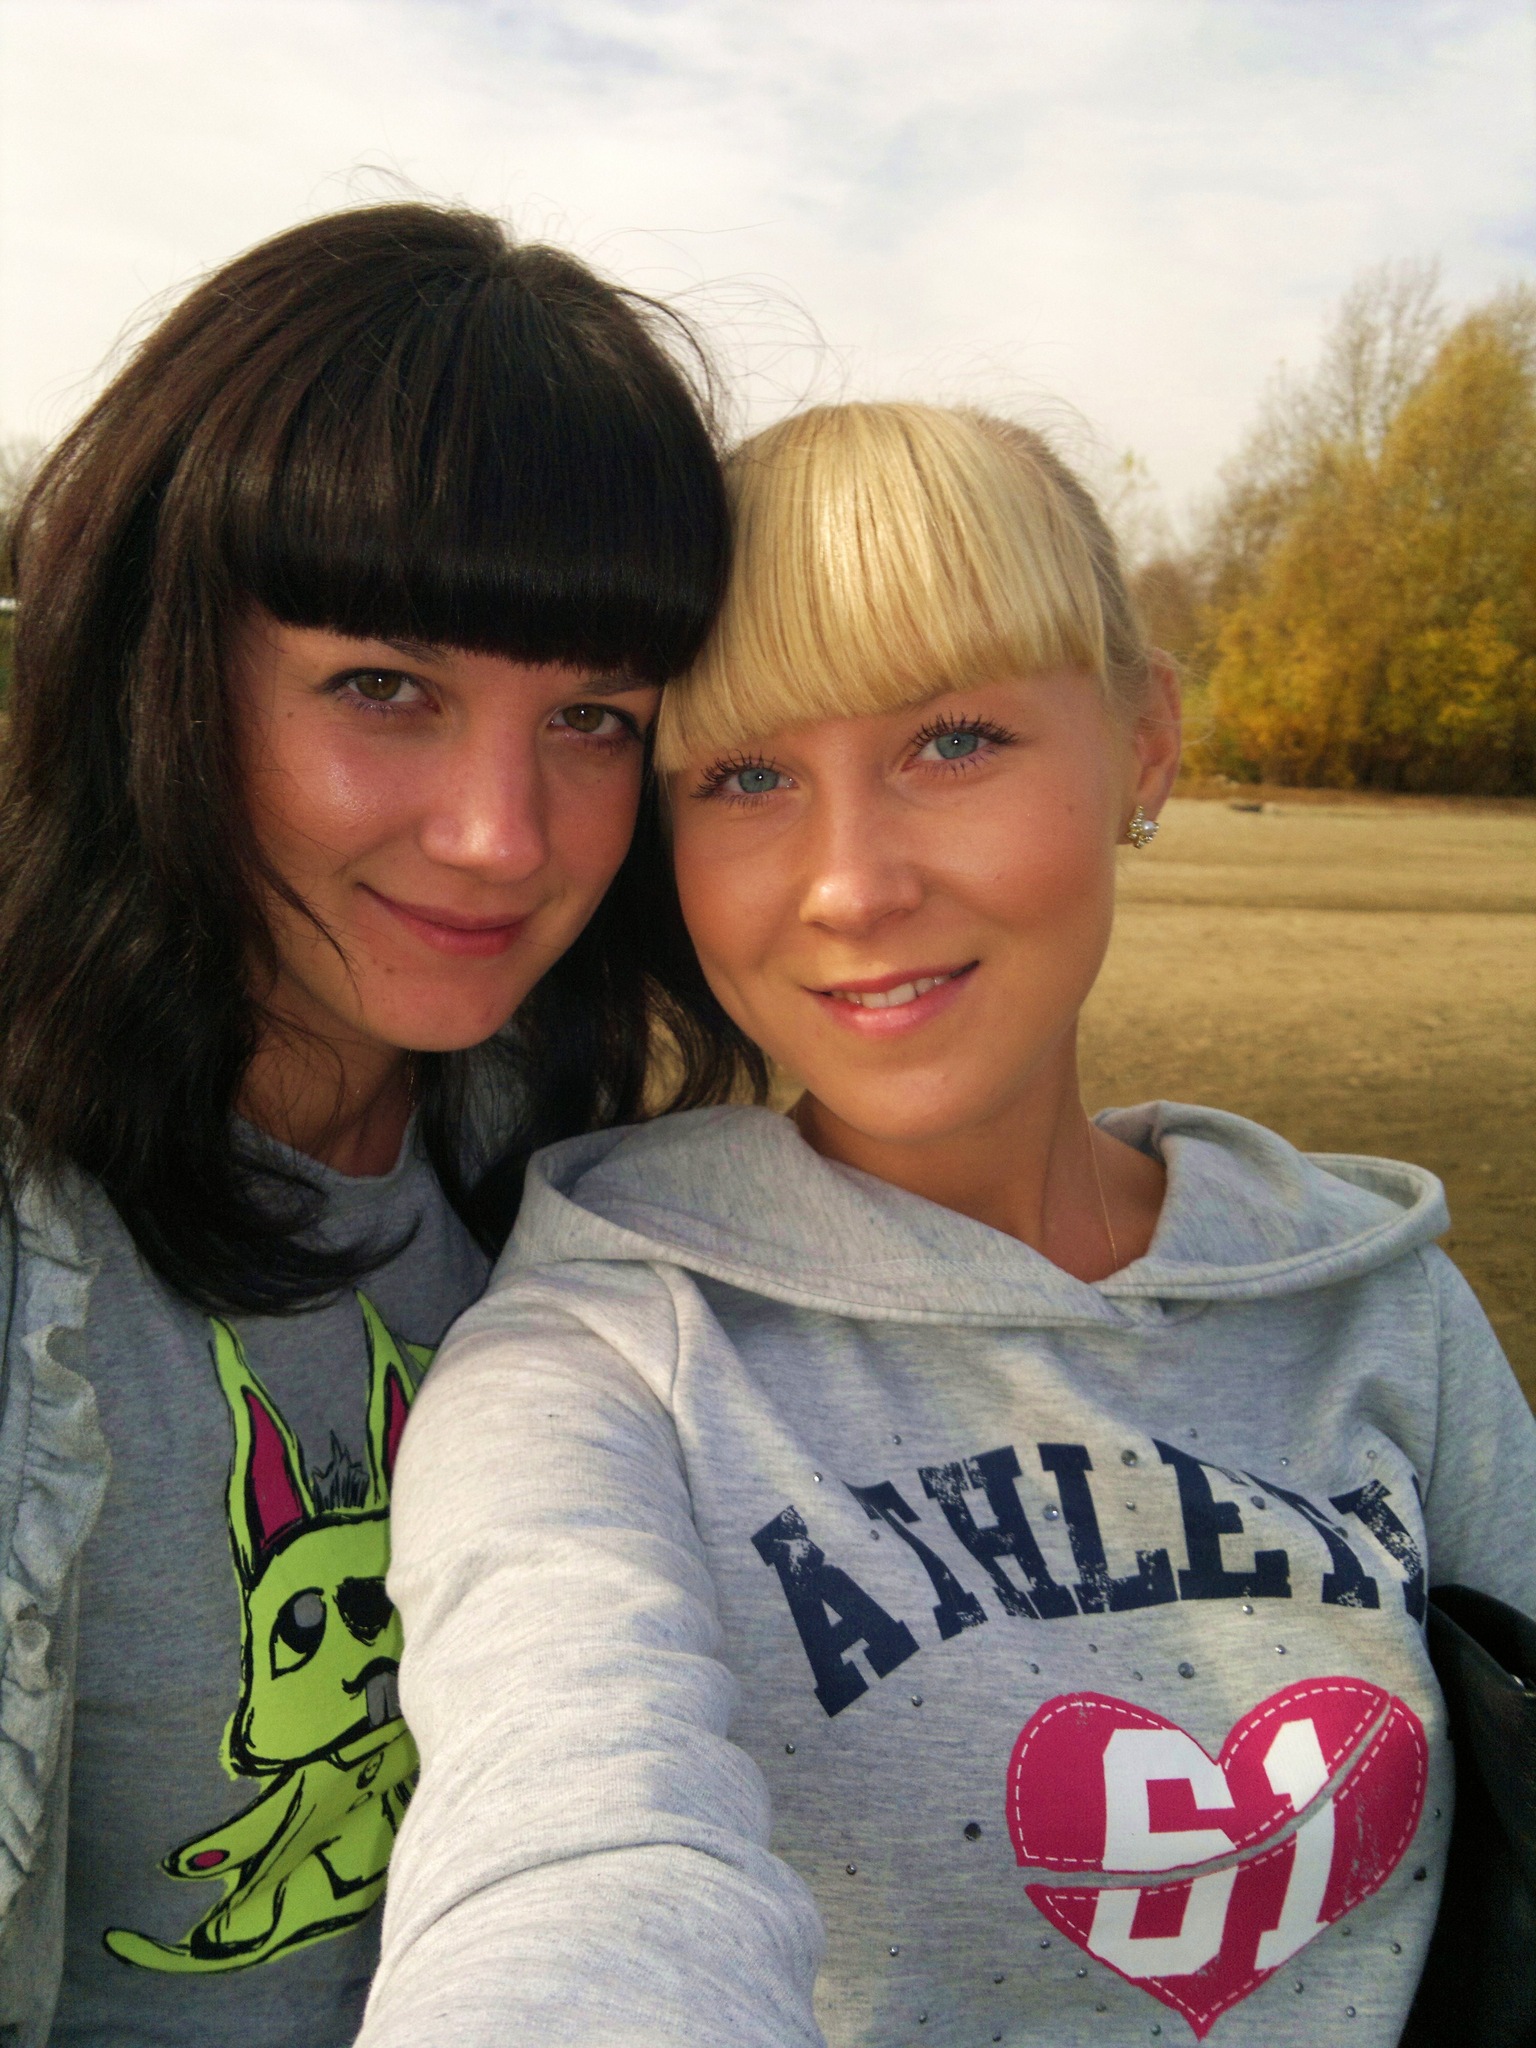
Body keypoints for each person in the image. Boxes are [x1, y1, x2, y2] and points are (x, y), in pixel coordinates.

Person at [357, 400, 1536, 2048]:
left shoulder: (1379, 1307)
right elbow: (569, 1851)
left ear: (1145, 742)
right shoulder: (600, 1363)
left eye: (956, 743)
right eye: (747, 776)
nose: (852, 885)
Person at [0, 201, 750, 2047]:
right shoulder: (44, 1270)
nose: (501, 835)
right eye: (383, 687)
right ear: (162, 670)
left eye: (593, 717)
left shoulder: (585, 1188)